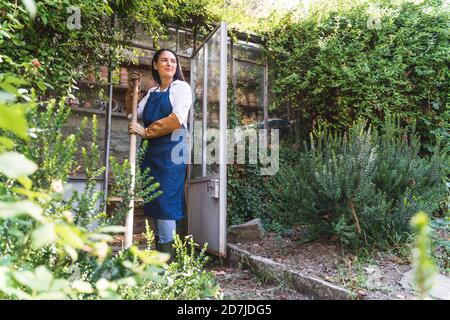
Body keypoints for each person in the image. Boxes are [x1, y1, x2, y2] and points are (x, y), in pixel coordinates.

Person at [125, 48, 192, 261]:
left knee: (166, 204)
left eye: (173, 61)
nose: (169, 64)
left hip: (172, 152)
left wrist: (145, 131)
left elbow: (177, 118)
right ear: (155, 65)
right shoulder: (152, 93)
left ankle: (167, 261)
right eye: (164, 60)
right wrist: (131, 90)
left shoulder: (181, 88)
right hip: (151, 154)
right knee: (155, 202)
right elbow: (134, 113)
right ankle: (160, 258)